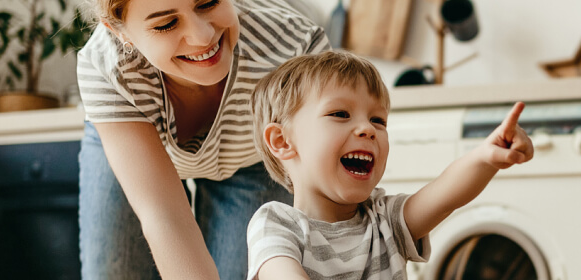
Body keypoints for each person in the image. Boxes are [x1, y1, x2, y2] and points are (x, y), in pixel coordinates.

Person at [73, 0, 328, 278]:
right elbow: (164, 217)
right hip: (135, 147)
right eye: (166, 24)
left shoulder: (295, 46)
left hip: (254, 158)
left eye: (208, 3)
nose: (203, 36)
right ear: (120, 32)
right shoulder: (106, 67)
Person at [242, 52, 534, 279]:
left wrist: (485, 157)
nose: (367, 129)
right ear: (281, 141)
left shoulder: (384, 221)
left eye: (378, 120)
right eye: (341, 113)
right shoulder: (275, 225)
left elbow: (445, 196)